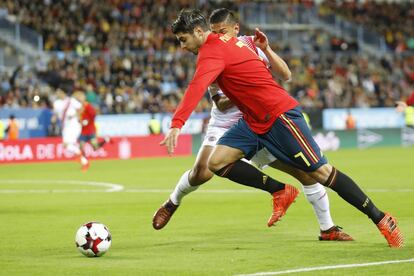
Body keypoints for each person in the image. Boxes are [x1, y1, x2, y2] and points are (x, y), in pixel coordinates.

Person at [161, 9, 403, 248]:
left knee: (321, 173)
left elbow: (196, 87)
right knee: (216, 162)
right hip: (252, 120)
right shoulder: (233, 41)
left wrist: (176, 124)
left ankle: (381, 218)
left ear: (199, 32)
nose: (182, 46)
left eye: (183, 40)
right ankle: (280, 191)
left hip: (279, 116)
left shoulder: (211, 51)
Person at [75, 92, 110, 172]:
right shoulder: (79, 107)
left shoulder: (88, 106)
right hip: (84, 131)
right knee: (81, 146)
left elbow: (94, 114)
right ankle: (85, 163)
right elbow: (78, 117)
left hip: (90, 130)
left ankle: (105, 140)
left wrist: (88, 121)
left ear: (84, 98)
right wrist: (80, 121)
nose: (79, 99)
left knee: (95, 147)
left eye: (80, 97)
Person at [53, 88, 82, 159]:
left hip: (73, 123)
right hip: (65, 125)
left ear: (63, 93)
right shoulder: (56, 103)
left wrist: (75, 115)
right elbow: (56, 113)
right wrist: (54, 118)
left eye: (59, 92)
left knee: (67, 143)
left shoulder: (71, 100)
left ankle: (82, 157)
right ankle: (82, 157)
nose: (58, 94)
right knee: (66, 145)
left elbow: (81, 108)